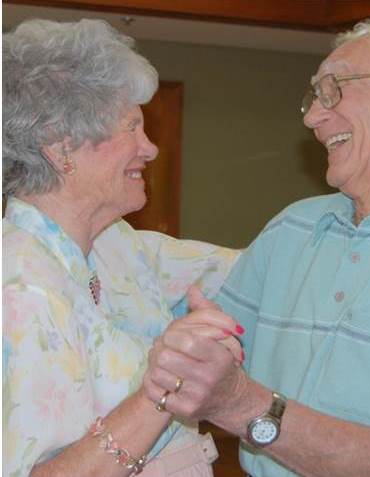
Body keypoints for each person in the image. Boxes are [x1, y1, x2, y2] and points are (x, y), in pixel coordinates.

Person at [143, 20, 370, 477]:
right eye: (314, 96)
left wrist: (243, 405)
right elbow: (202, 364)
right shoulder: (292, 227)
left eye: (334, 89)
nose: (313, 116)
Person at [2, 18, 243, 477]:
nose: (150, 148)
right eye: (132, 127)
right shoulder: (20, 284)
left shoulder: (113, 245)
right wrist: (168, 385)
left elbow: (245, 269)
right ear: (61, 144)